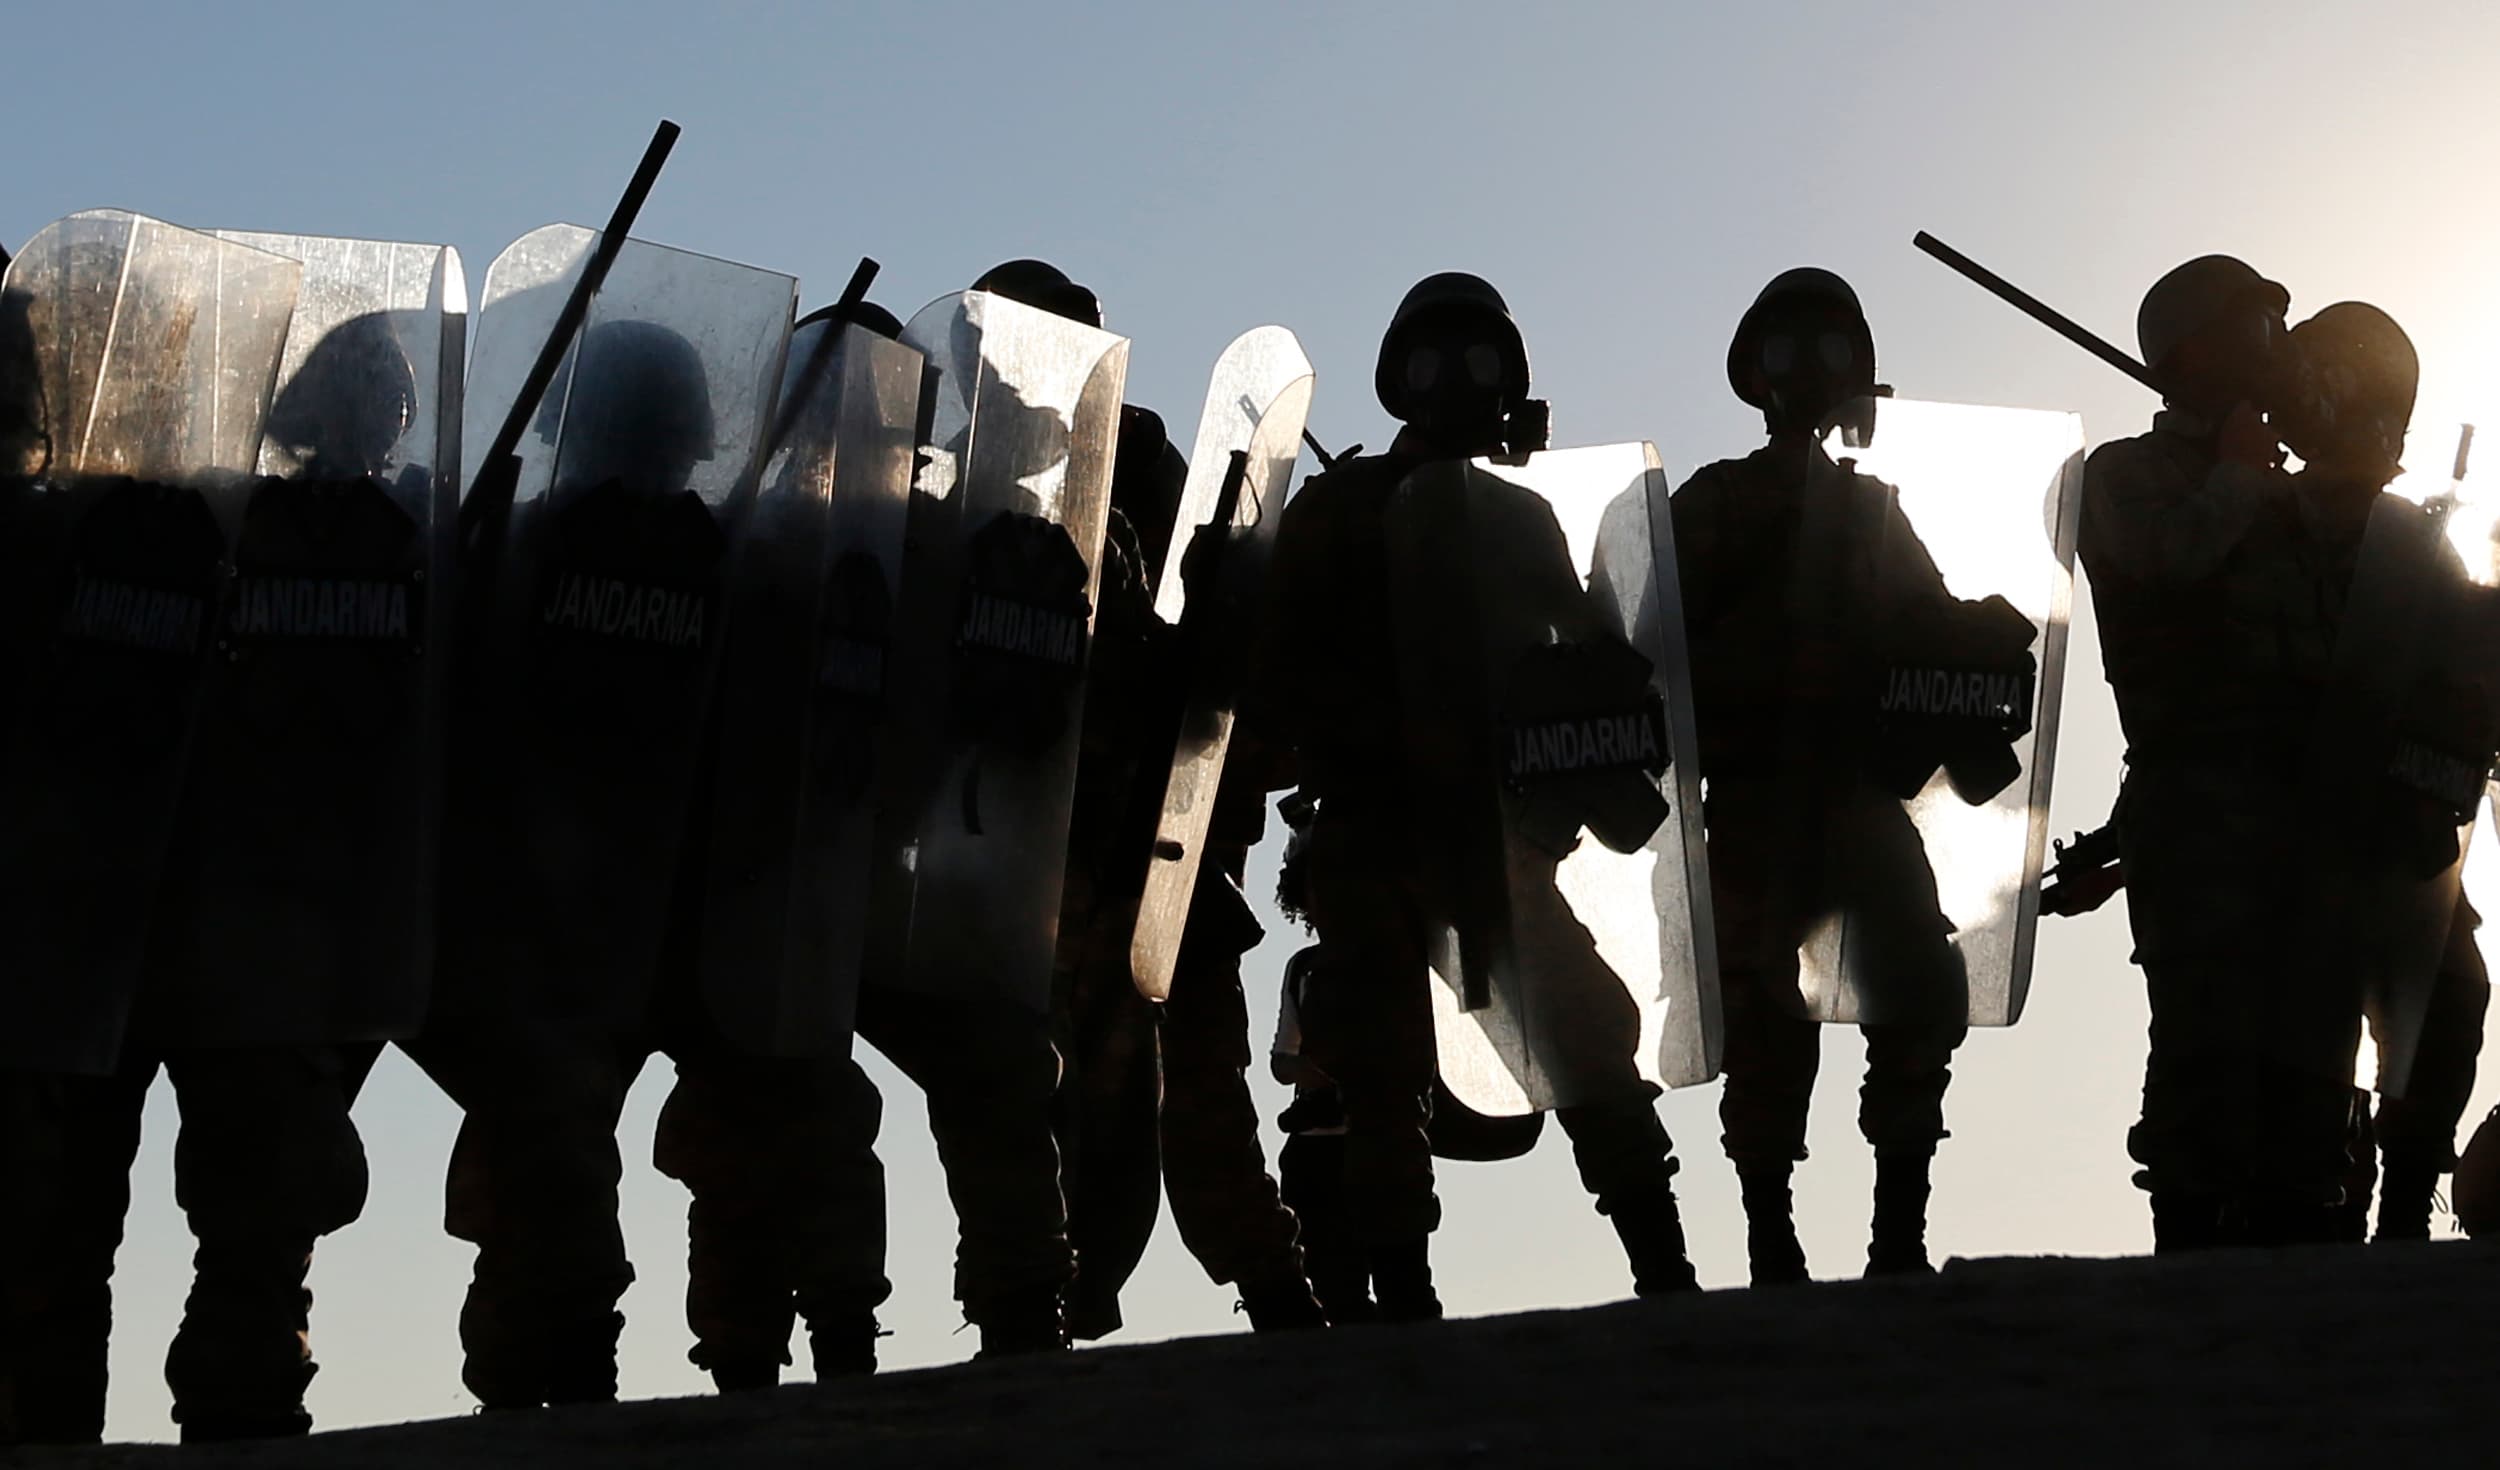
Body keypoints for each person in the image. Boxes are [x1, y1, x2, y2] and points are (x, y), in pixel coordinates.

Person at [416, 304, 889, 1406]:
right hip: (555, 919)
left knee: (785, 1140)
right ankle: (546, 1387)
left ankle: (796, 1364)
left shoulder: (736, 564)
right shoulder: (514, 547)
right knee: (546, 1176)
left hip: (696, 908)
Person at [1258, 272, 1697, 1320]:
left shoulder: (1516, 514)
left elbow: (1589, 648)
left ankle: (1663, 1271)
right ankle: (1401, 1295)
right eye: (1434, 362)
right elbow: (1278, 662)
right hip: (1372, 818)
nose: (1456, 381)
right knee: (1378, 1069)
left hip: (1498, 831)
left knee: (1590, 1032)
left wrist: (1599, 711)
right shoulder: (1338, 507)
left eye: (1479, 363)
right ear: (1398, 381)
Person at [1673, 268, 2012, 1283]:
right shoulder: (1720, 497)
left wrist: (1981, 638)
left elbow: (1927, 622)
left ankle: (1895, 1235)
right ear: (1757, 375)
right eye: (1789, 353)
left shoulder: (1873, 513)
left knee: (1918, 985)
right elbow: (1654, 635)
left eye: (1829, 351)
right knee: (1766, 1024)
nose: (1811, 372)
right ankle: (1769, 1236)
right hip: (1754, 797)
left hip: (1861, 794)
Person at [2079, 259, 2393, 1250]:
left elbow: (2372, 622)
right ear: (2196, 348)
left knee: (2316, 1056)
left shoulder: (2298, 493)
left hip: (2315, 799)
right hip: (2195, 793)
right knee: (2205, 1049)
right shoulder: (2123, 474)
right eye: (2257, 328)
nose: (2280, 348)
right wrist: (2237, 476)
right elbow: (2160, 562)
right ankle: (2193, 1270)